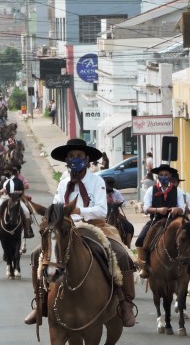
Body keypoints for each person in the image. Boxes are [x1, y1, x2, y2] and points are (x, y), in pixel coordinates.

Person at [24, 138, 137, 327]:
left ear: (86, 158)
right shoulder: (63, 182)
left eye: (78, 156)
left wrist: (79, 211)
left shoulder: (97, 181)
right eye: (71, 156)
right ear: (66, 160)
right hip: (67, 227)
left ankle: (125, 302)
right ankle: (40, 301)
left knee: (120, 253)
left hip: (94, 225)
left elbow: (101, 209)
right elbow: (57, 205)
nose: (75, 159)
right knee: (37, 254)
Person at [136, 165, 190, 279]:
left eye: (166, 175)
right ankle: (144, 265)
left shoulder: (178, 191)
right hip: (157, 219)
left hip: (174, 220)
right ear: (158, 176)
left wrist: (177, 209)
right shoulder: (151, 190)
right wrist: (158, 210)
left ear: (170, 177)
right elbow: (146, 208)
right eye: (161, 175)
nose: (164, 177)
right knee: (141, 238)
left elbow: (182, 208)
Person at [0, 167, 34, 239]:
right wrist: (1, 191)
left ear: (12, 172)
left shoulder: (18, 181)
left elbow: (22, 191)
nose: (6, 173)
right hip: (4, 198)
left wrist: (16, 192)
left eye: (8, 171)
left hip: (16, 199)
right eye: (5, 171)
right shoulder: (3, 181)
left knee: (26, 212)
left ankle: (28, 230)